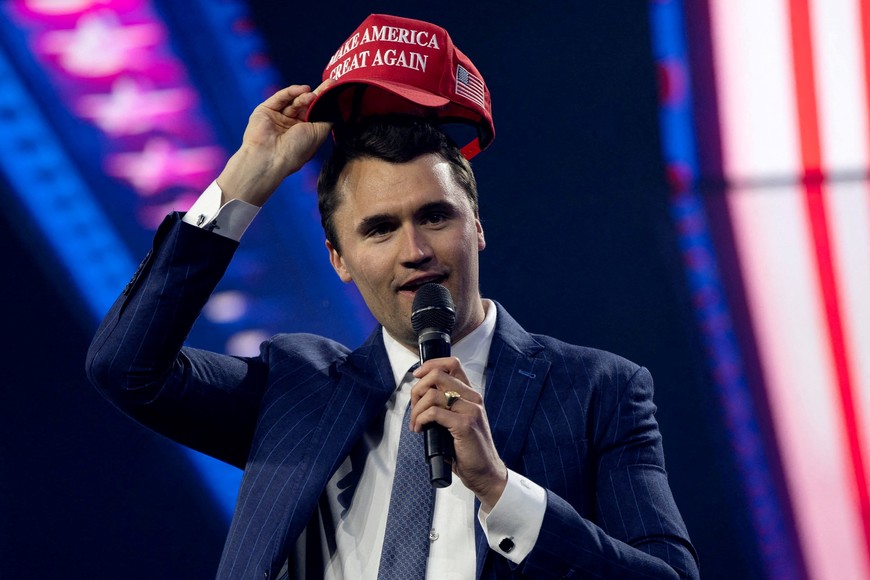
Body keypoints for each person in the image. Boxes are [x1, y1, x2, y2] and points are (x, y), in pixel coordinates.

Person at [87, 14, 699, 580]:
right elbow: (126, 368)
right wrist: (252, 172)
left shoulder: (599, 390)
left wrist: (498, 486)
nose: (415, 250)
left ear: (477, 227)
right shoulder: (294, 389)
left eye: (435, 216)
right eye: (379, 229)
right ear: (339, 260)